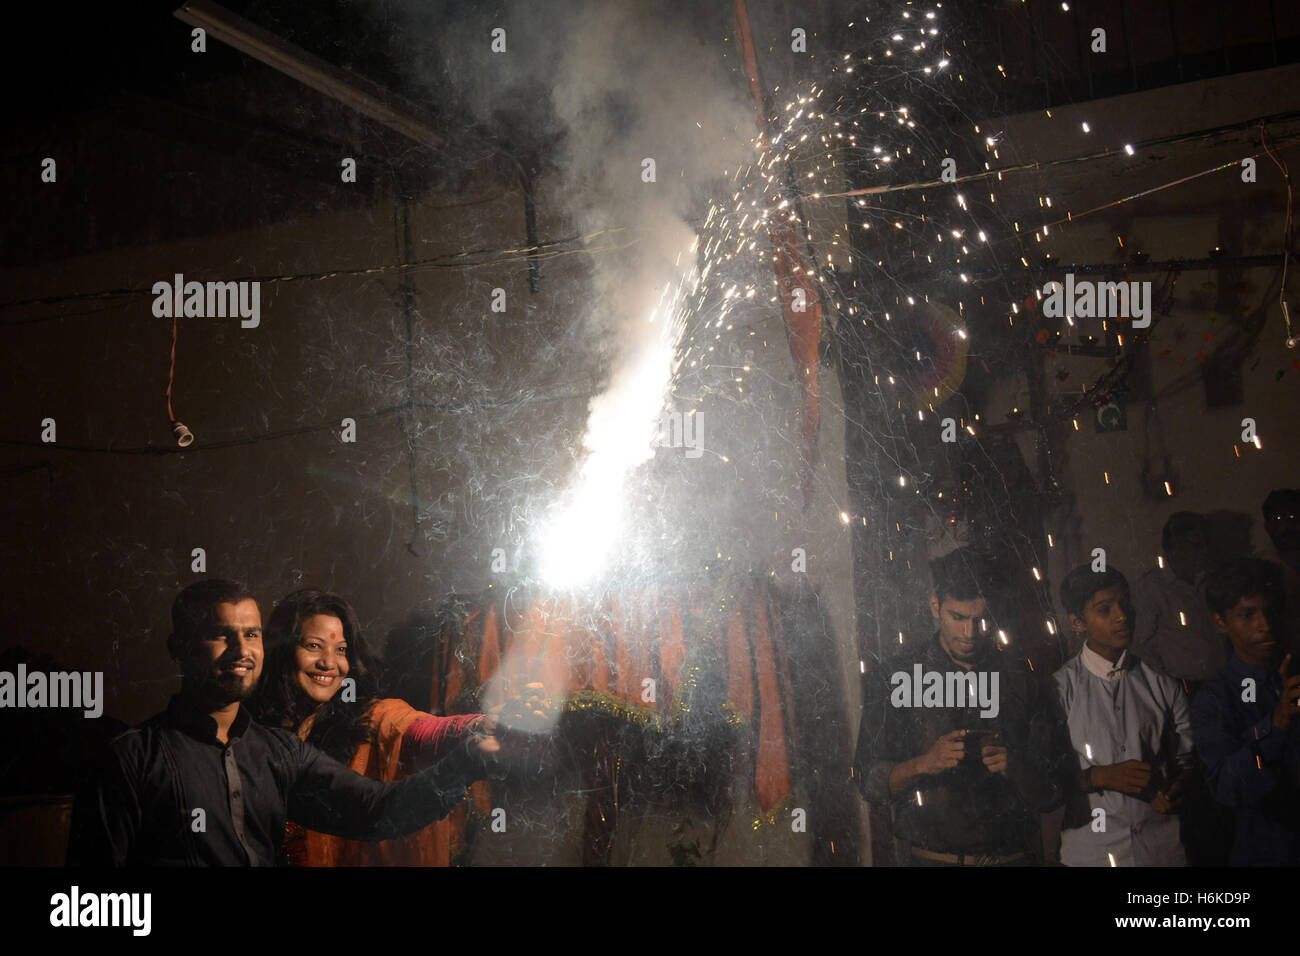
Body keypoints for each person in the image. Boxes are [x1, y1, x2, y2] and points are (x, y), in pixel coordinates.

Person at [68, 580, 488, 866]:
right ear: (179, 648)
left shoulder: (277, 752)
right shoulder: (130, 759)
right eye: (221, 634)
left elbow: (376, 811)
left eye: (251, 635)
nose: (241, 650)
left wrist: (468, 759)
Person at [251, 588, 500, 866]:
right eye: (313, 645)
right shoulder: (247, 733)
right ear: (282, 650)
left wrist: (477, 726)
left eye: (341, 650)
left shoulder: (370, 719)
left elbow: (421, 731)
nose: (329, 663)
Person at [852, 548, 1067, 865]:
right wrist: (924, 763)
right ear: (936, 606)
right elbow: (867, 781)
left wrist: (1016, 766)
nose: (969, 633)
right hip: (933, 859)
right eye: (958, 618)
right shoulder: (897, 677)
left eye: (980, 619)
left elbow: (1056, 789)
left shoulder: (1021, 678)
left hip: (1013, 858)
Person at [1052, 565, 1193, 866]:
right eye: (1105, 609)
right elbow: (1045, 781)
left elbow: (1187, 760)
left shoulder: (1162, 685)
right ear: (1078, 622)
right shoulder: (1060, 690)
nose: (1122, 616)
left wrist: (1177, 786)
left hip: (1161, 851)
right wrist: (1101, 776)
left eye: (1125, 604)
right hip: (1091, 854)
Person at [1190, 558, 1300, 865]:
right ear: (1221, 622)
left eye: (1270, 611)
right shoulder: (1216, 699)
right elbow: (1228, 788)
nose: (1264, 625)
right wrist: (1276, 725)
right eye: (1247, 615)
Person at [1131, 512, 1228, 691]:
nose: (1203, 550)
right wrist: (1167, 686)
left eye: (1205, 543)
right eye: (1195, 545)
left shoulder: (1212, 580)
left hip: (1222, 682)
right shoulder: (1152, 588)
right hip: (1183, 688)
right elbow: (1139, 645)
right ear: (1174, 546)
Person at [1262, 489, 1300, 656]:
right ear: (1268, 526)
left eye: (1292, 517)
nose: (1286, 526)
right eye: (1278, 519)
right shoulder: (1261, 571)